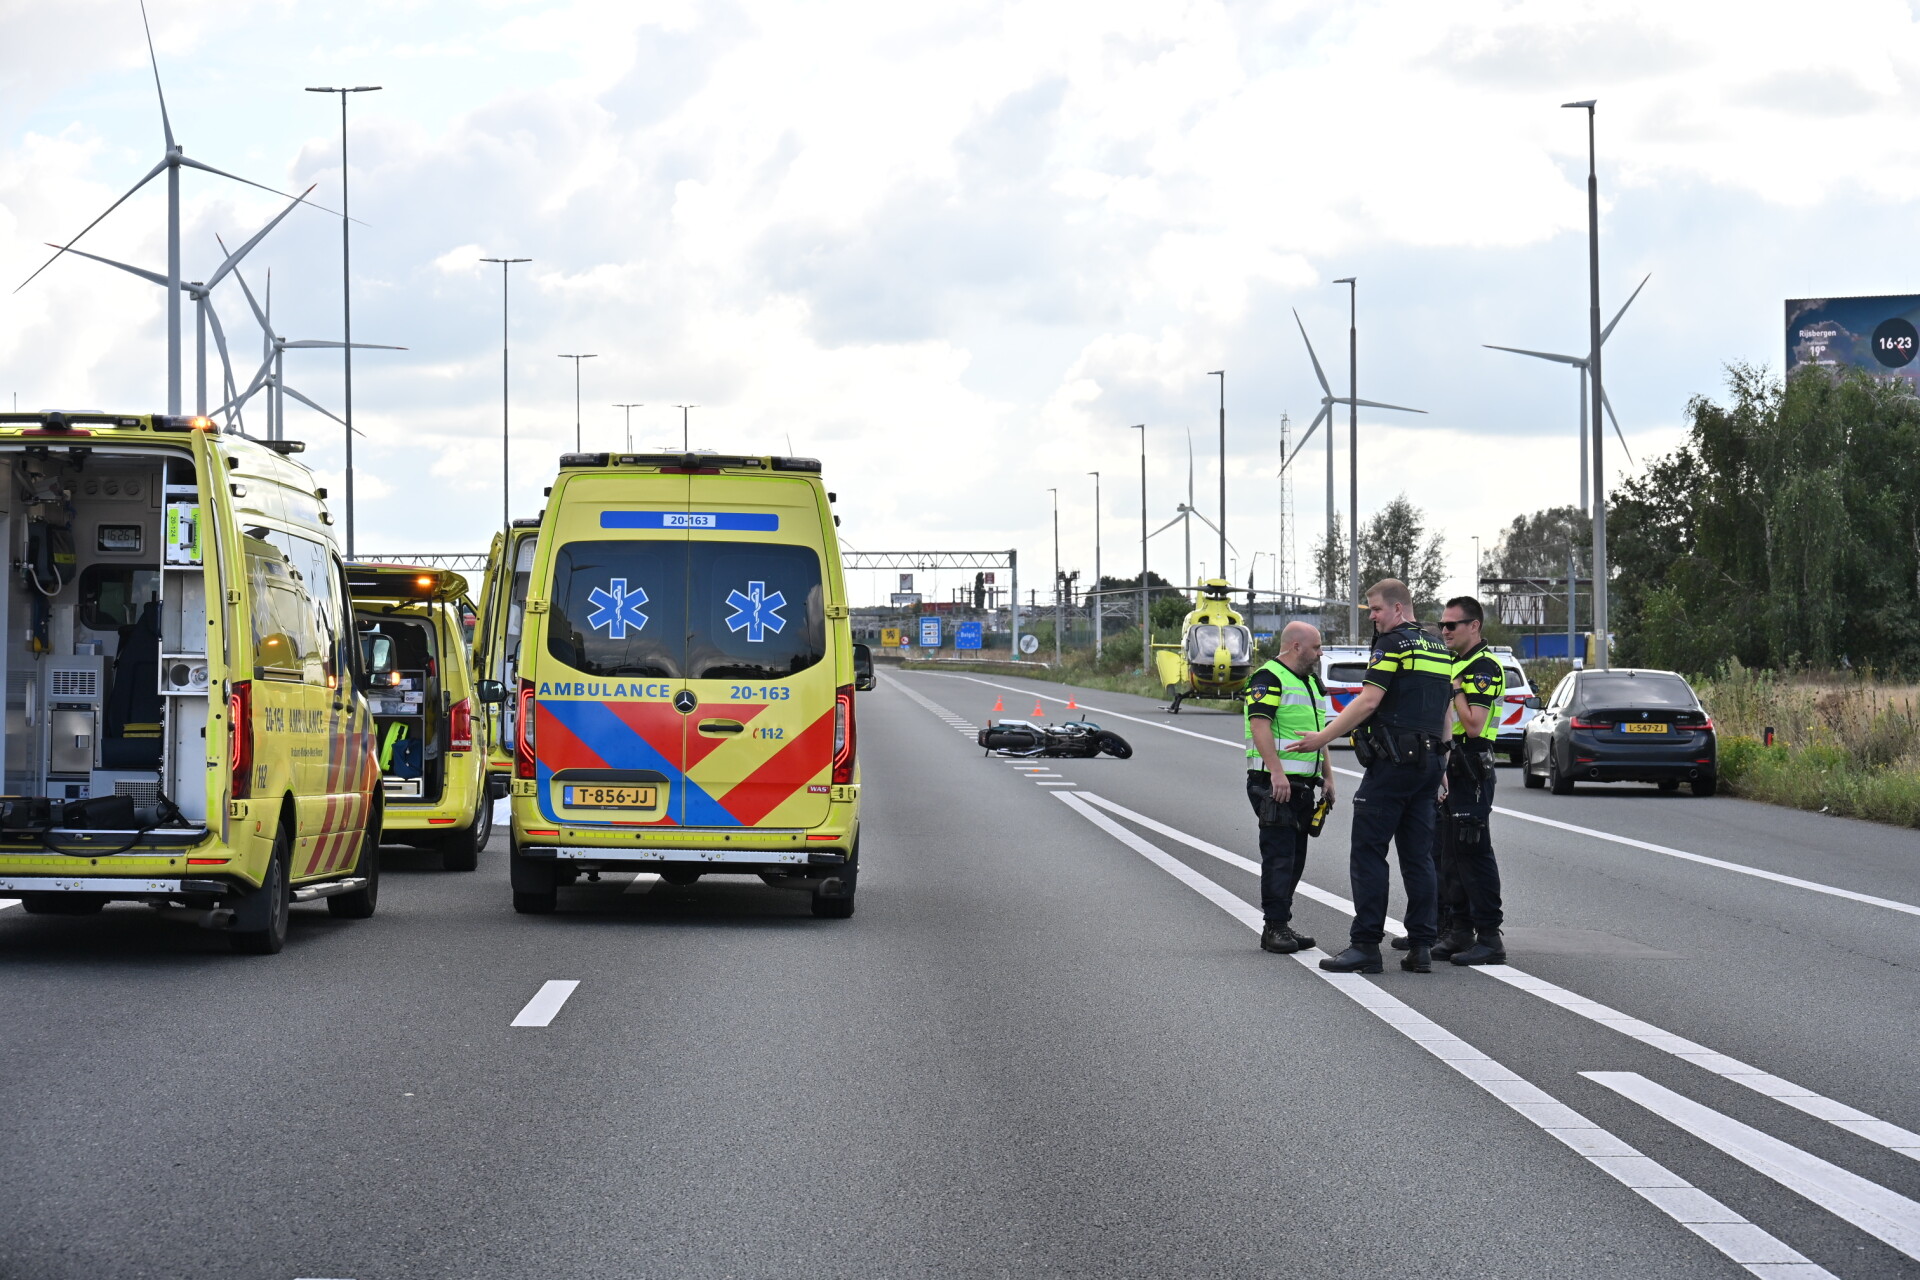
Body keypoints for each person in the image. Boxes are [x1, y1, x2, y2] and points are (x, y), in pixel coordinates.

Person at [1289, 579, 1453, 974]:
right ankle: (1422, 946)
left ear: (1398, 608)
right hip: (1429, 763)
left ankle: (1365, 945)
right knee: (1418, 858)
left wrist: (1324, 737)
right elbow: (1444, 711)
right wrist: (1443, 767)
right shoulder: (1438, 647)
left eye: (1376, 609)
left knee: (1368, 852)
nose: (1373, 618)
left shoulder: (1393, 643)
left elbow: (1369, 700)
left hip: (1394, 763)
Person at [1242, 621, 1334, 954]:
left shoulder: (1309, 681)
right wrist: (1277, 773)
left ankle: (1281, 923)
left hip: (1303, 784)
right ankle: (1275, 928)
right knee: (1280, 857)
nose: (1320, 653)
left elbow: (1318, 735)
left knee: (1295, 859)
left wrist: (1328, 777)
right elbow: (1259, 727)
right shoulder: (1268, 677)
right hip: (1273, 783)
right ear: (1295, 646)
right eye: (1316, 647)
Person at [1434, 596, 1506, 965]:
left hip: (1472, 765)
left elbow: (1474, 724)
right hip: (1450, 765)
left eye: (1452, 625)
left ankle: (1490, 937)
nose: (1444, 630)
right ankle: (1459, 931)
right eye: (1442, 624)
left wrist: (1457, 688)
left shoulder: (1483, 667)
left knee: (1473, 851)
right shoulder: (1455, 663)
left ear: (1473, 626)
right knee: (1449, 854)